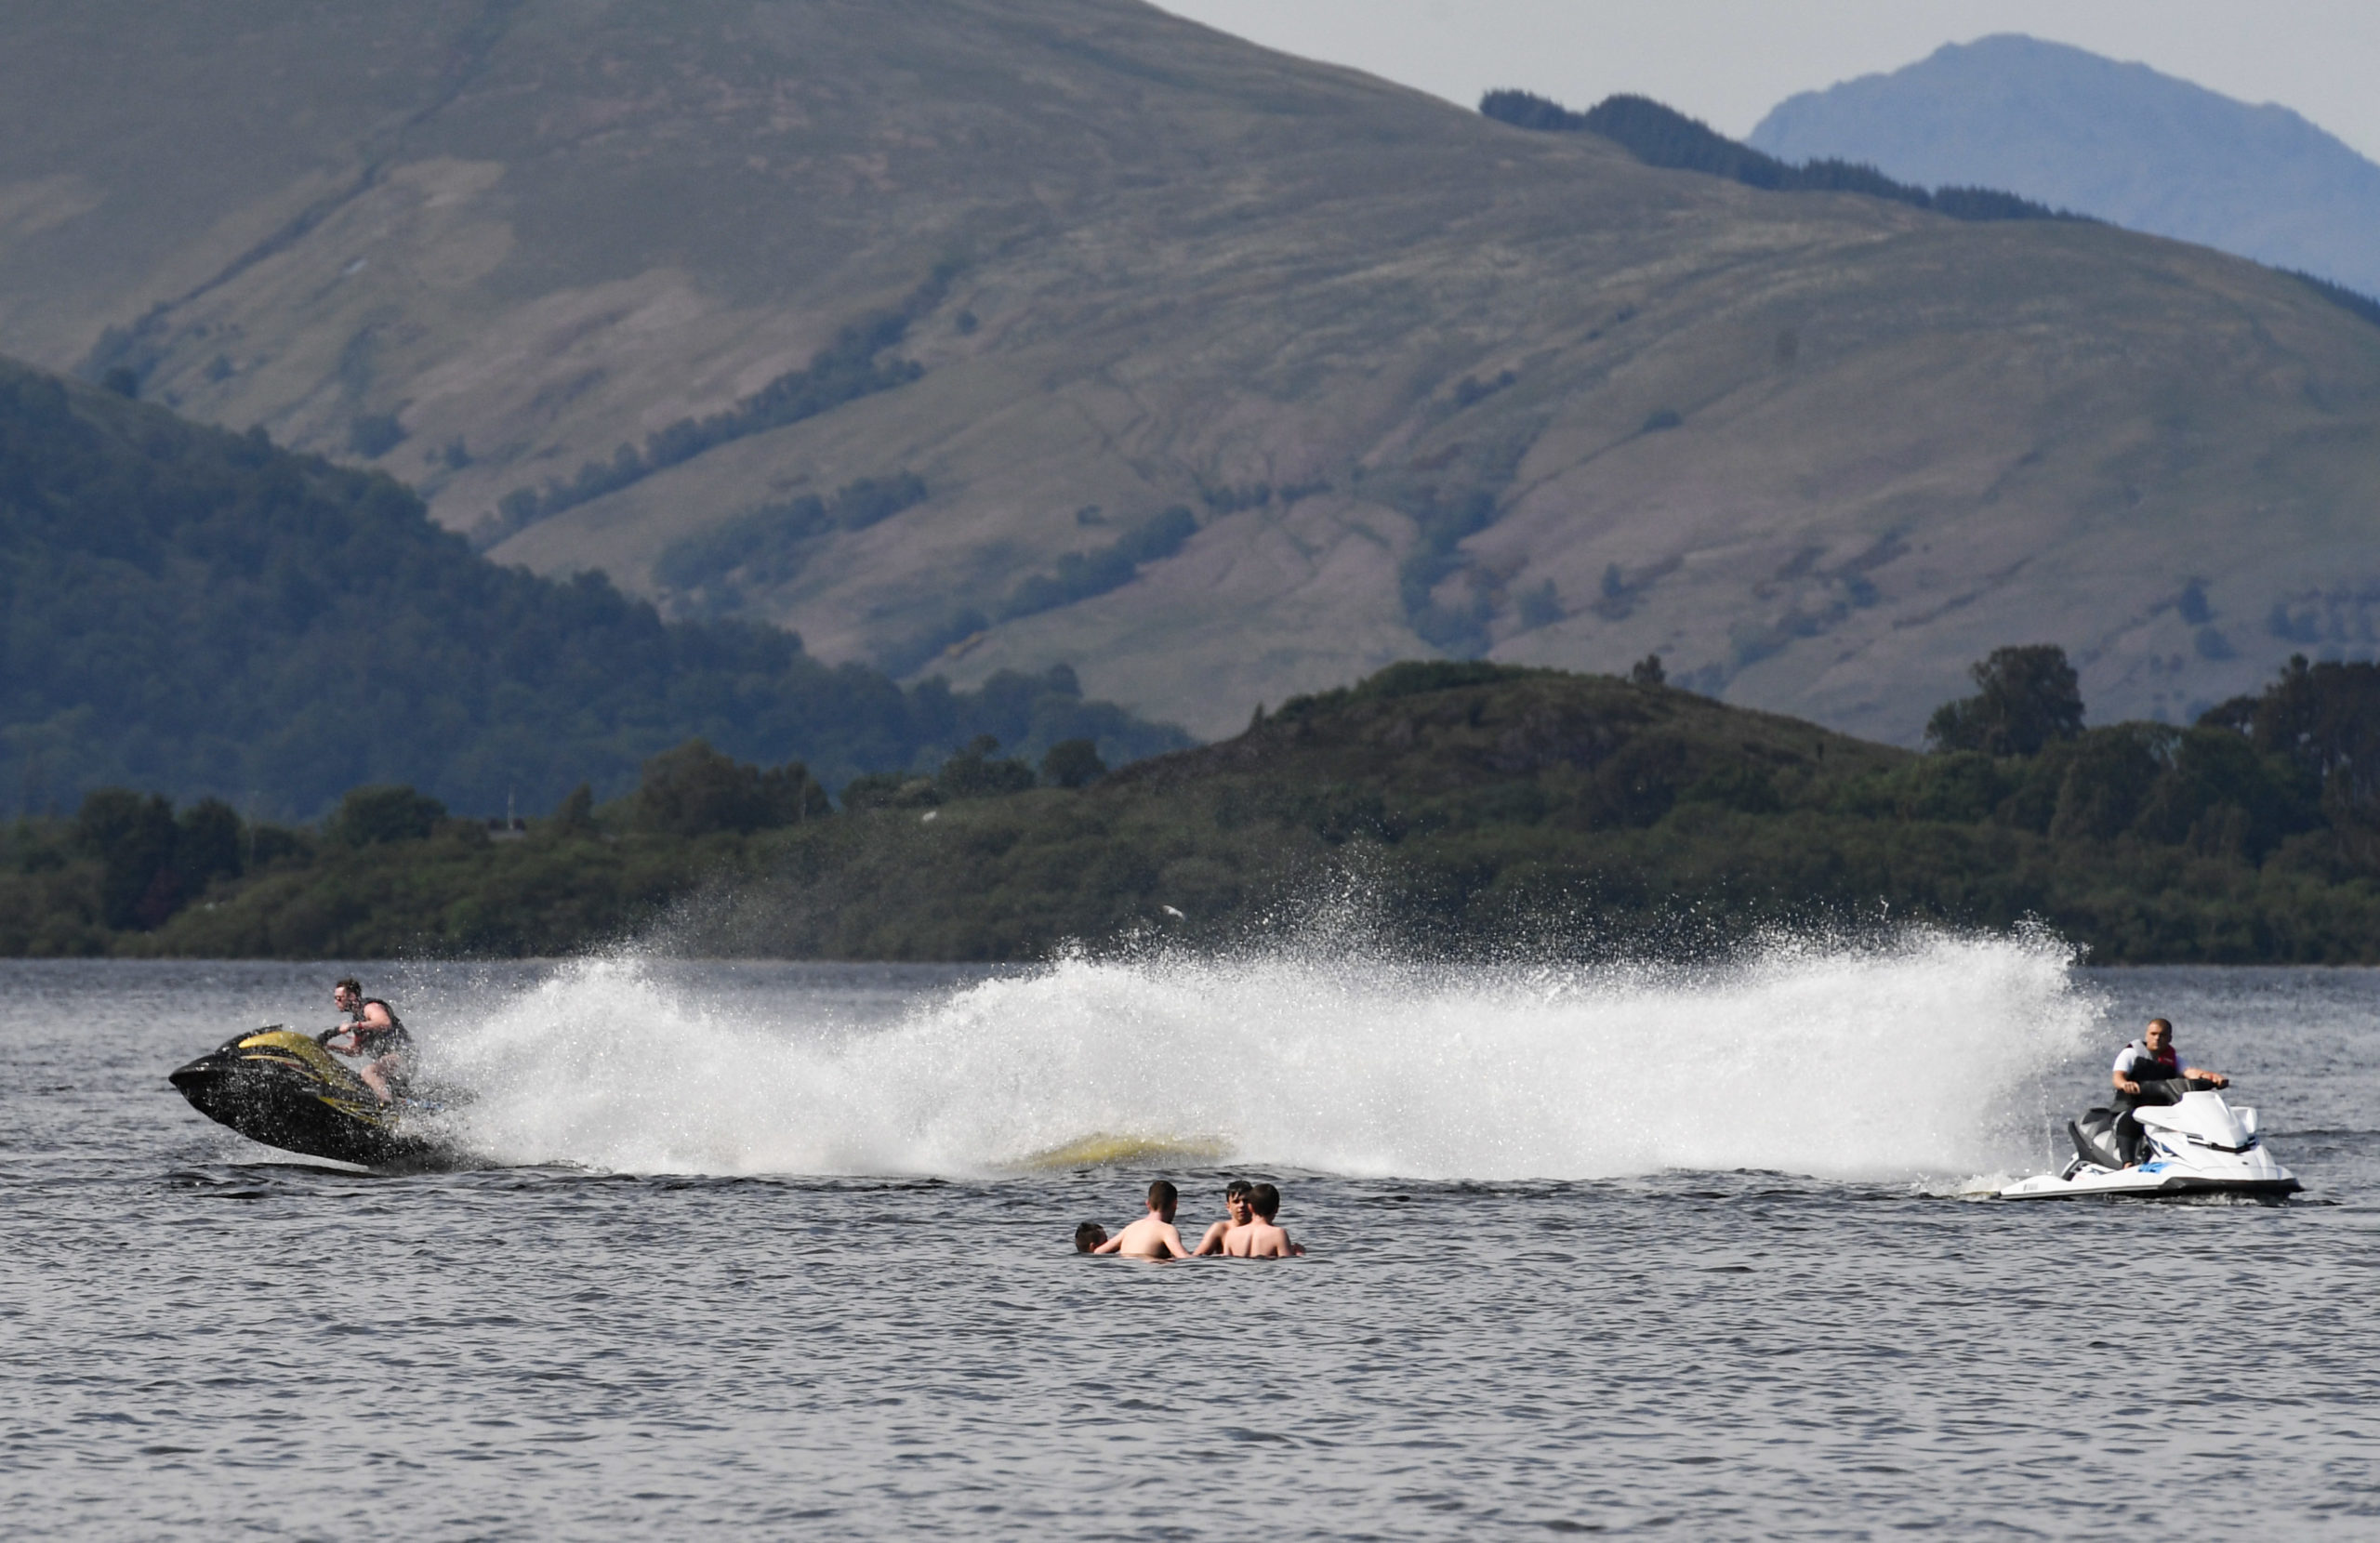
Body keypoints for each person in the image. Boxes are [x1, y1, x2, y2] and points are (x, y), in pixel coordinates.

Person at [2110, 1017, 2228, 1165]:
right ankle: (2127, 1164)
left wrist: (2211, 1077)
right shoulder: (2131, 1054)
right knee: (2130, 1121)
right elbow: (2117, 1077)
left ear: (2170, 1038)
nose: (2157, 1038)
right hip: (2130, 1109)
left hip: (2161, 1114)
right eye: (2153, 1034)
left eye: (2162, 1035)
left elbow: (2191, 1072)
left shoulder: (2174, 1060)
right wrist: (2125, 1084)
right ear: (2147, 1035)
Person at [326, 977, 414, 1104]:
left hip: (403, 1055)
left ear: (351, 996)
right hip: (388, 1061)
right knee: (363, 1082)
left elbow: (384, 1022)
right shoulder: (358, 1019)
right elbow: (356, 1050)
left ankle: (388, 1106)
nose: (336, 1002)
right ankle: (394, 1099)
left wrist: (353, 1026)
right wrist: (330, 1047)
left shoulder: (371, 1007)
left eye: (339, 998)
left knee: (369, 1072)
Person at [1092, 1180, 1192, 1259]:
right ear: (1175, 1204)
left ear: (1147, 1204)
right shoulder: (1167, 1230)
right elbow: (1183, 1257)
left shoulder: (1131, 1228)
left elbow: (1098, 1252)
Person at [1222, 1182, 1303, 1258]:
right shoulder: (1278, 1234)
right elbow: (1287, 1262)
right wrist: (1299, 1254)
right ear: (1276, 1209)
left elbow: (1226, 1263)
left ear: (1250, 1207)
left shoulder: (1231, 1234)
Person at [1193, 1180, 1254, 1255]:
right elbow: (1197, 1257)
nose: (1241, 1205)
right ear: (1228, 1207)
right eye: (1236, 1202)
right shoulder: (1221, 1229)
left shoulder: (1263, 1230)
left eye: (1246, 1201)